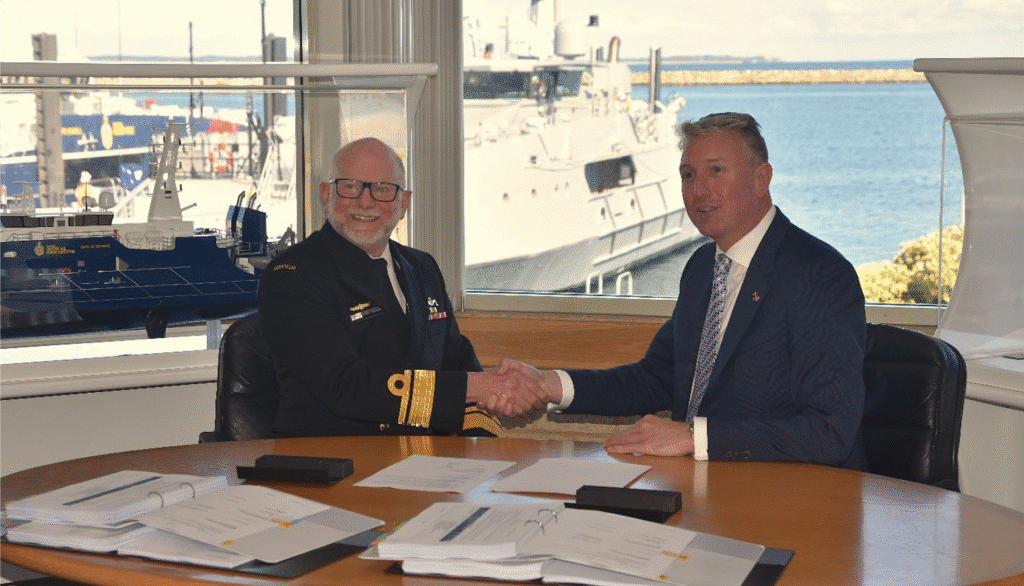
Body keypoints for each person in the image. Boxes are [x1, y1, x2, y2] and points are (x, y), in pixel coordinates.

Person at [498, 112, 868, 468]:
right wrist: (550, 386)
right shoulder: (703, 267)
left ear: (761, 178)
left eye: (716, 171)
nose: (699, 190)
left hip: (789, 503)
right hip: (700, 489)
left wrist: (695, 438)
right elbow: (656, 379)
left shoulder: (820, 274)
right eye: (688, 175)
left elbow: (829, 432)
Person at [258, 137, 544, 437]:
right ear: (326, 193)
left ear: (403, 203)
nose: (365, 202)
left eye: (382, 189)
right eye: (350, 186)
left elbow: (457, 361)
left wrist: (480, 448)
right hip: (332, 462)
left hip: (422, 460)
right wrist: (477, 387)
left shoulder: (422, 268)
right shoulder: (293, 275)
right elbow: (347, 387)